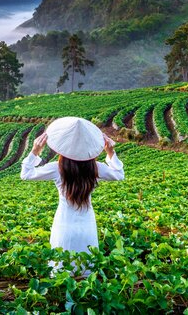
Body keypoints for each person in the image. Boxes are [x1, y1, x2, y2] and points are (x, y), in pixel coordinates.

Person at [20, 116, 124, 276]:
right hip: (87, 225)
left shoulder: (57, 168)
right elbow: (119, 174)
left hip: (64, 226)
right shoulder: (95, 168)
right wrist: (110, 152)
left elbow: (26, 174)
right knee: (86, 274)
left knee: (61, 273)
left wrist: (35, 151)